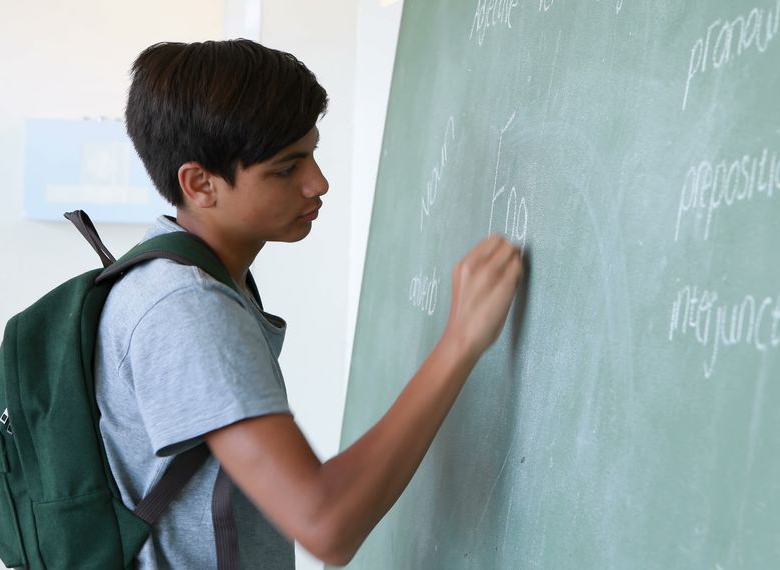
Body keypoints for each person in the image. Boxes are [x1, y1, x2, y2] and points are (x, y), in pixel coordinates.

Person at [95, 39, 523, 568]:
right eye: (285, 168)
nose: (318, 183)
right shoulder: (186, 308)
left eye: (313, 154)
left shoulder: (177, 282)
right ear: (200, 183)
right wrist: (460, 342)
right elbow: (328, 524)